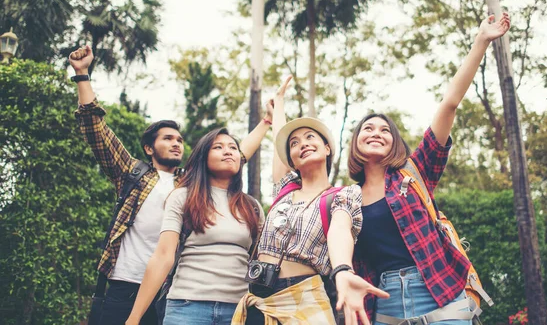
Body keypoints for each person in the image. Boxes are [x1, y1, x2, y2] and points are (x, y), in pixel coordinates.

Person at [69, 45, 271, 324]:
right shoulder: (132, 174)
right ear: (148, 148)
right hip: (126, 283)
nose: (176, 143)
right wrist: (82, 75)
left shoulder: (190, 184)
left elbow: (237, 154)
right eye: (167, 139)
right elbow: (97, 131)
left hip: (170, 287)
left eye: (179, 140)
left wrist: (266, 123)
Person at [334, 13, 511, 325]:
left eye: (385, 130)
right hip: (384, 301)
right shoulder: (347, 198)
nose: (376, 132)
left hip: (440, 292)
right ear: (355, 141)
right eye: (368, 128)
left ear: (395, 143)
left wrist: (481, 41)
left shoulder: (415, 173)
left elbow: (449, 104)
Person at [232, 76, 387, 325]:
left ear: (327, 148)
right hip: (258, 300)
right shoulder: (284, 189)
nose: (302, 144)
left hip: (303, 300)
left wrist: (343, 270)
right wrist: (279, 104)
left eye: (310, 138)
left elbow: (340, 229)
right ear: (291, 160)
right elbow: (279, 141)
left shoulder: (342, 195)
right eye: (295, 143)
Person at [125, 122, 271, 325]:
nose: (228, 152)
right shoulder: (183, 197)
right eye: (218, 147)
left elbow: (264, 262)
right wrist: (134, 317)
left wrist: (268, 122)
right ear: (203, 157)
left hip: (238, 312)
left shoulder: (252, 207)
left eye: (233, 148)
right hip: (187, 308)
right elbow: (163, 257)